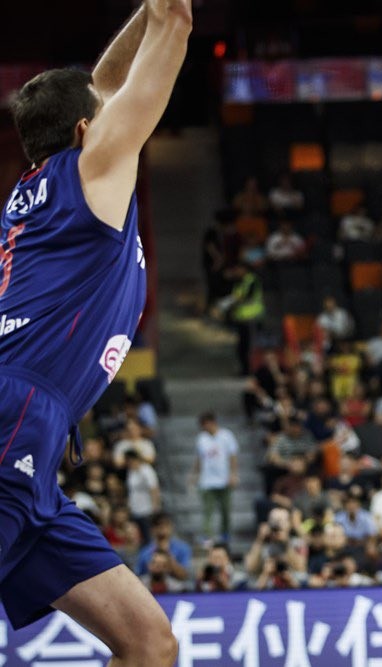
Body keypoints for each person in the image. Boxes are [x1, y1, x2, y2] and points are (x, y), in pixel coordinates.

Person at [0, 2, 188, 660]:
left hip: (34, 432)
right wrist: (168, 12)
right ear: (87, 131)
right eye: (102, 116)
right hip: (16, 411)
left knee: (149, 641)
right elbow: (176, 27)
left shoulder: (51, 185)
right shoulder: (94, 170)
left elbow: (104, 84)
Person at [190, 412, 239, 544]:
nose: (203, 428)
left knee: (225, 510)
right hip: (207, 481)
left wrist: (233, 474)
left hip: (224, 480)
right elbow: (199, 459)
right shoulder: (201, 438)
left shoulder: (226, 436)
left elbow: (232, 456)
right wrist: (195, 475)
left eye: (204, 425)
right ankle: (207, 535)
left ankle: (225, 533)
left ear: (211, 422)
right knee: (207, 510)